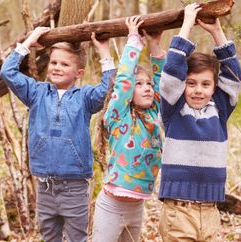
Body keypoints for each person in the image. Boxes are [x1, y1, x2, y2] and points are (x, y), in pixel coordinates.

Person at [0, 26, 116, 242]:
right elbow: (8, 72)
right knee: (49, 237)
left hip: (74, 185)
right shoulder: (36, 93)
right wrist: (28, 42)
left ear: (79, 73)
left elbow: (109, 88)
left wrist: (104, 53)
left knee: (76, 238)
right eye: (54, 62)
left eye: (64, 64)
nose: (56, 67)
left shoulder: (85, 97)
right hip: (44, 186)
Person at [158, 3, 241, 241]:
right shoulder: (174, 110)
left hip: (211, 212)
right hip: (178, 212)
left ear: (215, 87)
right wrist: (186, 25)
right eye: (191, 83)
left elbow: (234, 77)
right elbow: (171, 74)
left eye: (205, 84)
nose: (198, 90)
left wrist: (217, 33)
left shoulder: (220, 109)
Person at [92, 16, 166, 242]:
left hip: (137, 207)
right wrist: (133, 41)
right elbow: (123, 80)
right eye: (139, 84)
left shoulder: (154, 116)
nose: (146, 89)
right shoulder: (118, 116)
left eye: (148, 84)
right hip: (111, 207)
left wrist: (155, 46)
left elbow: (163, 82)